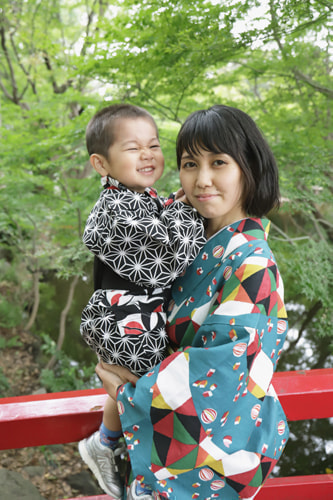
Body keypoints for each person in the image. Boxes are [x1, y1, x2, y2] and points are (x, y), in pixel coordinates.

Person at [94, 104, 290, 500]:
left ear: (248, 167)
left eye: (218, 162)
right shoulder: (184, 235)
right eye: (189, 163)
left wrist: (126, 393)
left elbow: (222, 380)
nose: (202, 179)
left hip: (203, 460)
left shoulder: (252, 263)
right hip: (160, 446)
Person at [78, 103, 206, 499]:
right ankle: (146, 478)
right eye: (133, 148)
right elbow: (163, 262)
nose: (148, 154)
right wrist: (195, 212)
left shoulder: (137, 197)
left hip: (132, 315)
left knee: (140, 383)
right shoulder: (116, 207)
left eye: (153, 144)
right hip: (125, 320)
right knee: (155, 390)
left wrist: (176, 204)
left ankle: (108, 443)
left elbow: (158, 224)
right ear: (102, 164)